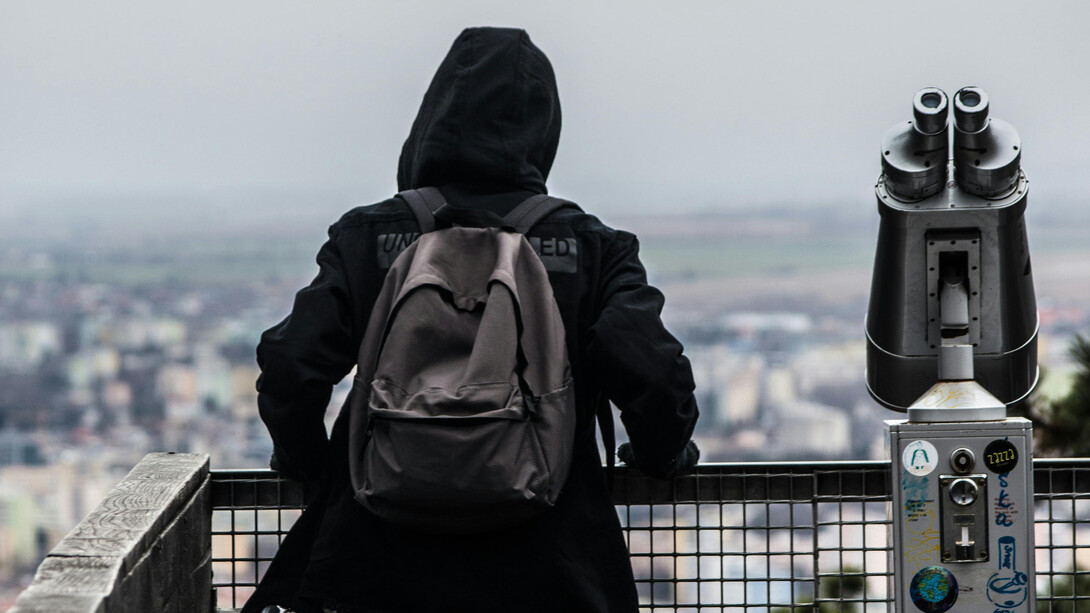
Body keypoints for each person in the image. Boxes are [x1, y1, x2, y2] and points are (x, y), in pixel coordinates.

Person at [245, 27, 700, 613]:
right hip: (552, 569)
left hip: (372, 564)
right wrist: (661, 455)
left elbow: (290, 364)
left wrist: (309, 463)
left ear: (431, 119)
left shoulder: (367, 237)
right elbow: (649, 367)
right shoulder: (589, 247)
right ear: (545, 130)